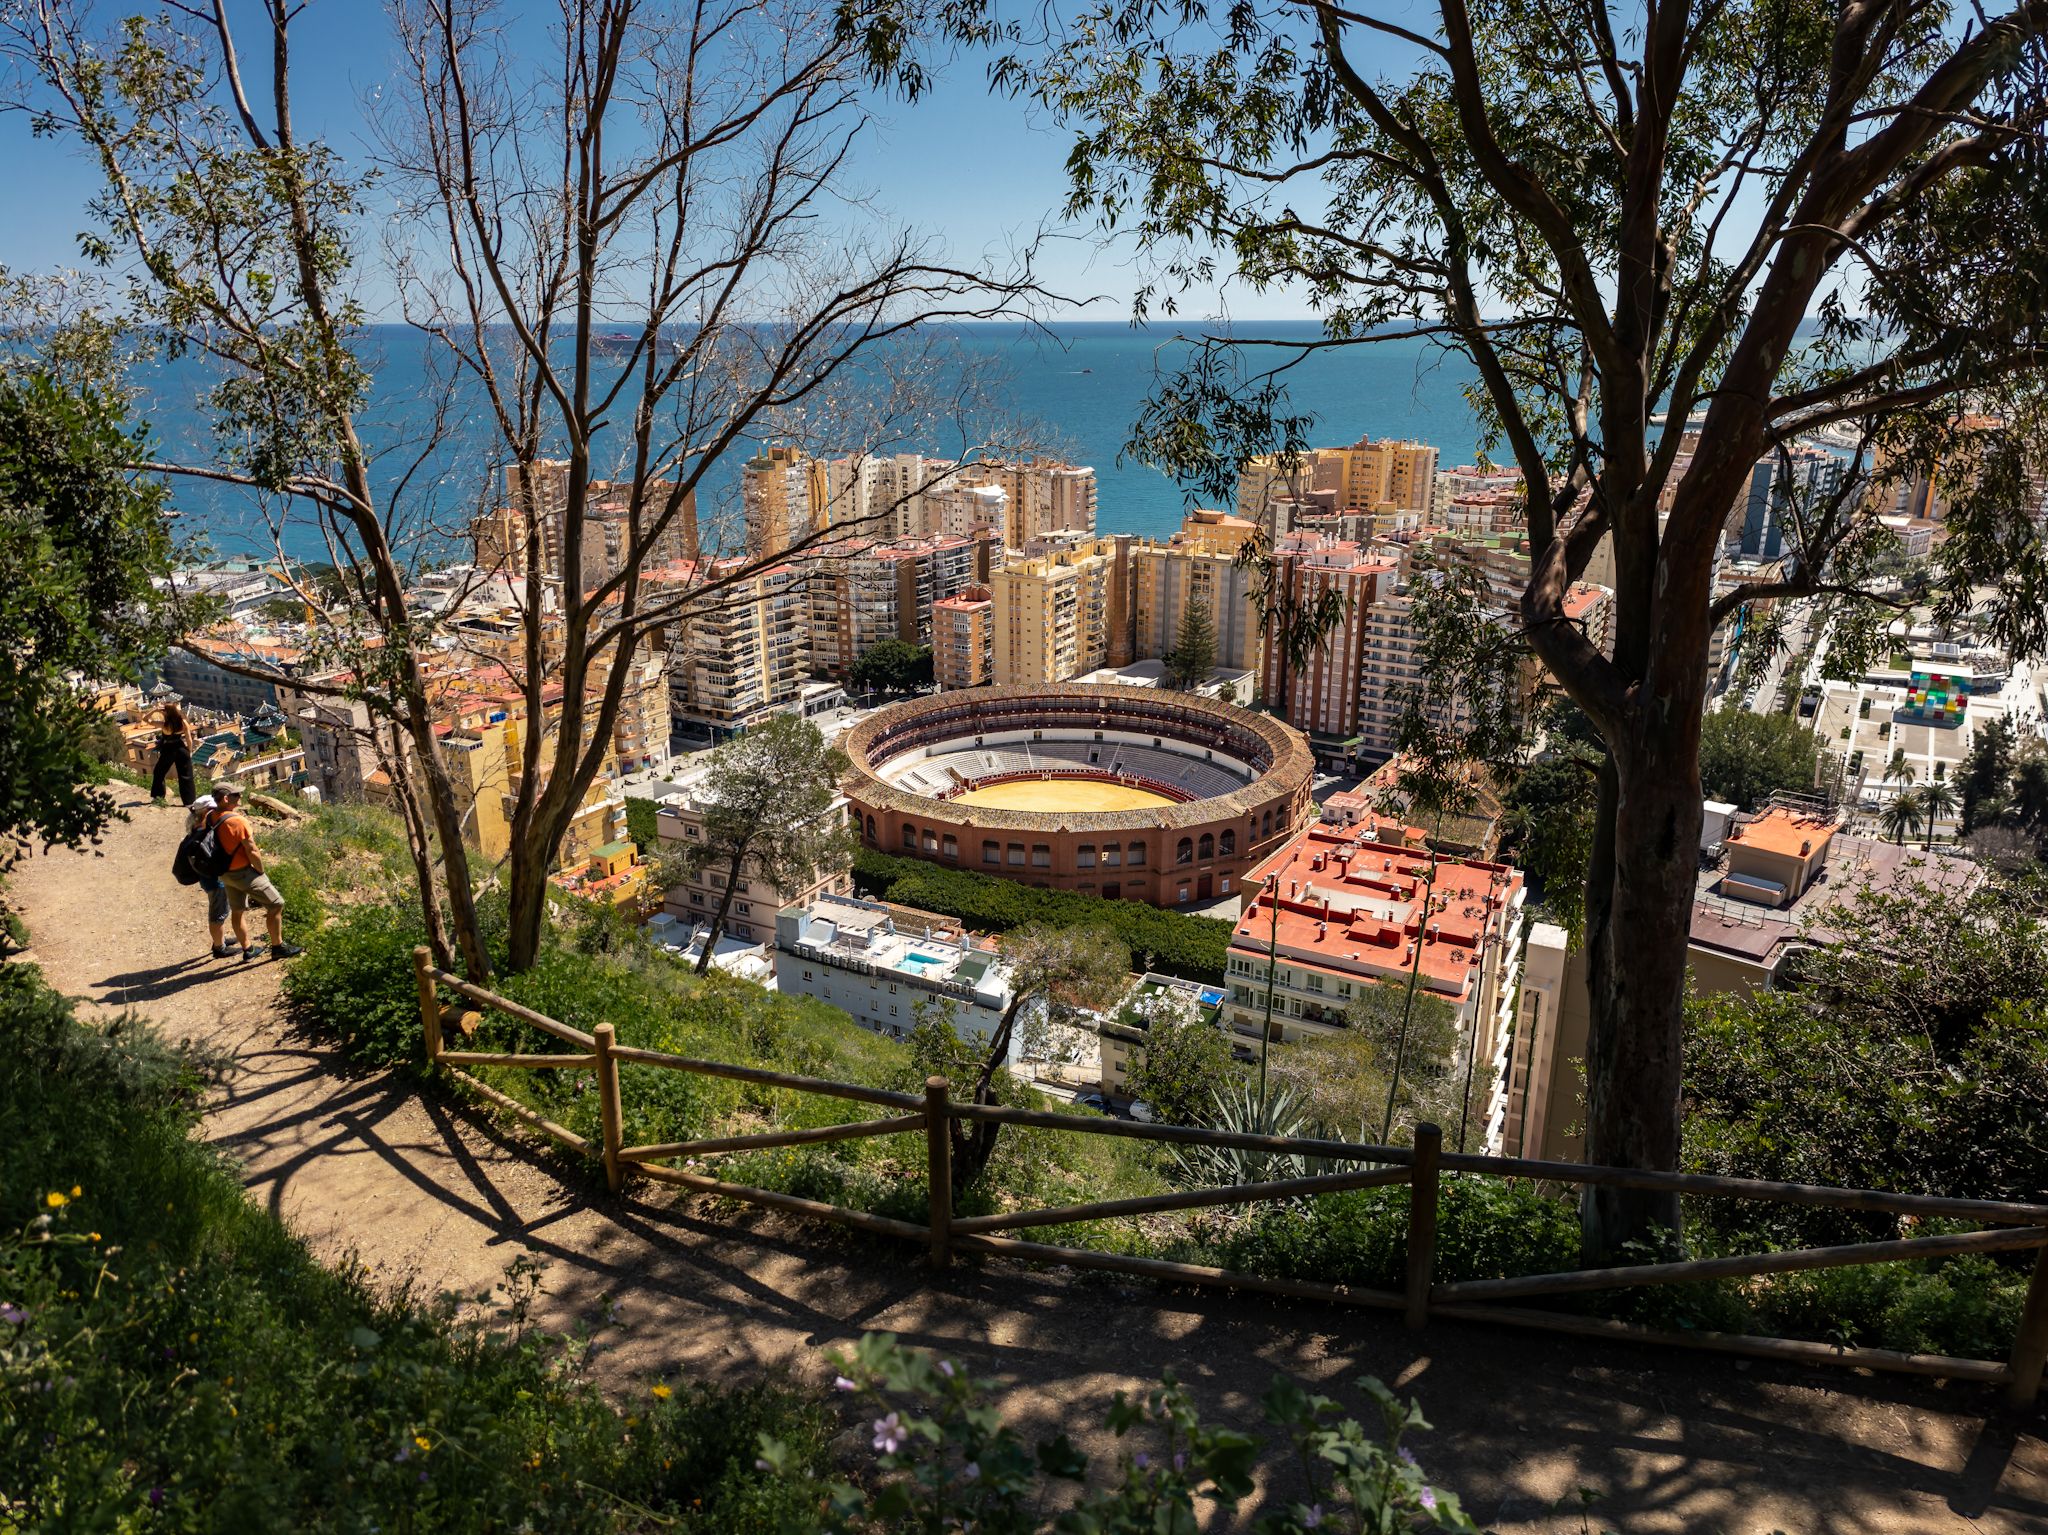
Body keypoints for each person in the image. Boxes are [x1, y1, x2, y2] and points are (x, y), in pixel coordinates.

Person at [210, 781, 303, 962]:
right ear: (226, 799)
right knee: (276, 904)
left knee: (237, 910)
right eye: (236, 795)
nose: (240, 797)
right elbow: (252, 850)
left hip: (225, 874)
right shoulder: (237, 821)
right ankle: (278, 947)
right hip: (243, 872)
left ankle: (248, 949)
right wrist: (260, 871)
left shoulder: (211, 816)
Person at [185, 794, 239, 959]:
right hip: (215, 879)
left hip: (208, 877)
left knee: (221, 908)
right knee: (217, 912)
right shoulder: (207, 829)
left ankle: (220, 939)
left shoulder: (195, 827)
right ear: (207, 811)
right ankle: (219, 947)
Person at [151, 702, 198, 806]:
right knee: (186, 775)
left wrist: (155, 711)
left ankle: (158, 797)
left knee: (159, 772)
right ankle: (189, 802)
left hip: (169, 749)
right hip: (181, 748)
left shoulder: (165, 724)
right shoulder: (183, 721)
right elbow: (189, 738)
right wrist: (189, 751)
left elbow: (146, 720)